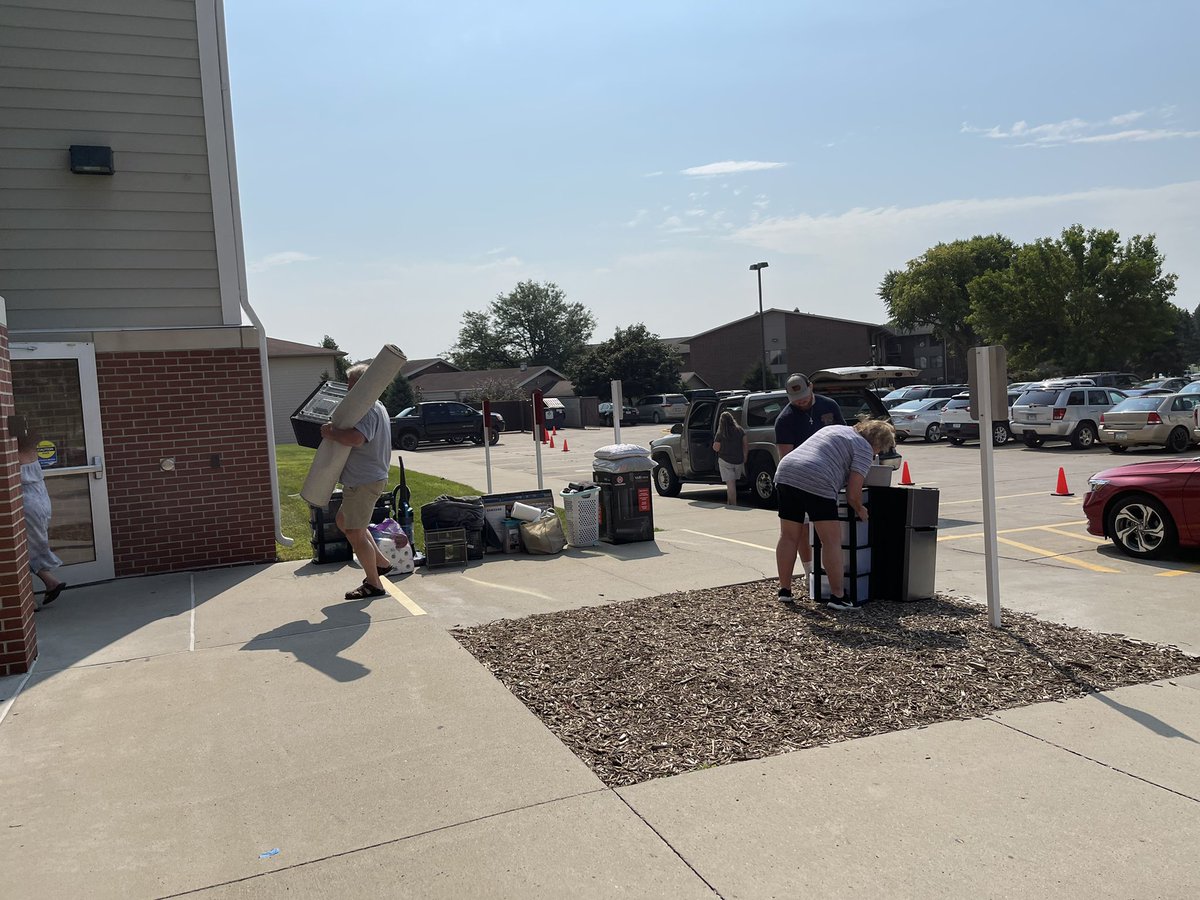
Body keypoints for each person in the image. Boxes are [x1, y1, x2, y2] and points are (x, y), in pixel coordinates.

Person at [774, 419, 896, 610]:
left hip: (786, 471)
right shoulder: (864, 448)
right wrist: (861, 510)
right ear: (878, 443)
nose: (877, 454)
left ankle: (785, 591)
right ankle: (838, 596)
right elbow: (853, 495)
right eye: (879, 450)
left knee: (789, 535)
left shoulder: (836, 429)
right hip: (818, 479)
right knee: (831, 540)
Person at [320, 364, 394, 600]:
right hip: (364, 480)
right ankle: (381, 563)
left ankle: (374, 584)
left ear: (363, 385)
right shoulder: (377, 405)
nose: (348, 389)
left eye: (351, 384)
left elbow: (356, 438)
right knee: (344, 522)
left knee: (354, 532)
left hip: (364, 481)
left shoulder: (368, 409)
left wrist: (331, 433)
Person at [774, 373, 845, 588]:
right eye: (796, 399)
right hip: (800, 478)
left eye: (804, 395)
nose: (801, 401)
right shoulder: (785, 420)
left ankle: (830, 578)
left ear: (811, 387)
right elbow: (785, 456)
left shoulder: (829, 406)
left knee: (828, 533)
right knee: (799, 530)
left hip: (828, 476)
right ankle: (809, 571)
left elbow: (843, 434)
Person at [17, 433, 67, 607]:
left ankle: (31, 599)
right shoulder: (30, 450)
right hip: (41, 499)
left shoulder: (13, 454)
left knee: (24, 550)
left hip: (26, 503)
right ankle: (49, 583)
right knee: (31, 548)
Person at [711, 410, 748, 506]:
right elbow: (745, 445)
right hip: (738, 460)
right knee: (733, 483)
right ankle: (729, 502)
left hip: (725, 461)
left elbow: (716, 448)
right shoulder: (740, 430)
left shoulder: (721, 433)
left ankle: (733, 504)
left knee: (730, 485)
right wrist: (745, 457)